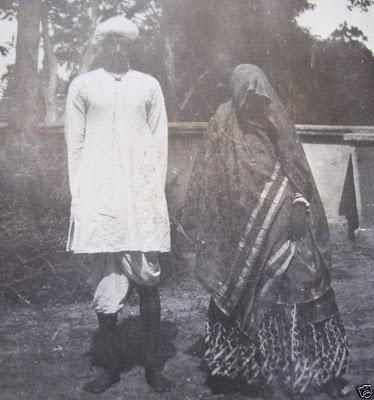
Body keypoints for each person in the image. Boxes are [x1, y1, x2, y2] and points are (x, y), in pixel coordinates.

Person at [183, 64, 351, 399]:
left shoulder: (277, 120)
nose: (255, 103)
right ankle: (233, 368)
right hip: (238, 231)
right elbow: (206, 176)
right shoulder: (222, 121)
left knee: (304, 287)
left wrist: (301, 203)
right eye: (248, 96)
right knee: (235, 290)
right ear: (236, 93)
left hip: (286, 224)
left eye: (260, 96)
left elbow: (296, 168)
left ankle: (315, 371)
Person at [64, 15, 173, 394]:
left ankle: (152, 368)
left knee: (148, 280)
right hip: (101, 199)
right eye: (110, 41)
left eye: (123, 42)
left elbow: (159, 144)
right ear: (102, 44)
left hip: (140, 198)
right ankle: (109, 369)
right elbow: (74, 147)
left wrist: (153, 195)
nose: (117, 48)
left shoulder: (148, 86)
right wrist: (80, 199)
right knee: (107, 284)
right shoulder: (83, 86)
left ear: (131, 45)